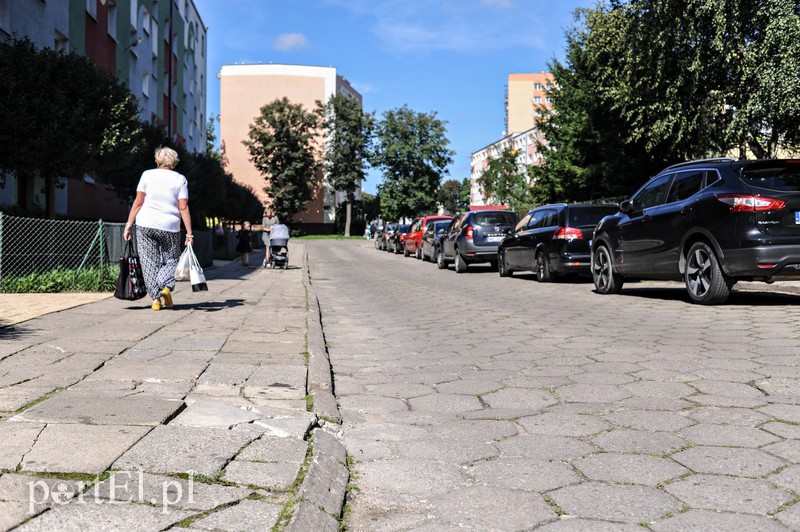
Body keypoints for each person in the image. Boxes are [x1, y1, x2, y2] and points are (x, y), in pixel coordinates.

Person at [123, 147, 193, 311]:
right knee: (171, 259)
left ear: (157, 161)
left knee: (149, 262)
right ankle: (166, 287)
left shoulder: (147, 175)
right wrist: (189, 233)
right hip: (170, 226)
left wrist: (128, 224)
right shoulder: (180, 179)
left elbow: (138, 202)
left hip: (145, 224)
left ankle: (155, 300)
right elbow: (183, 207)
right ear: (174, 163)